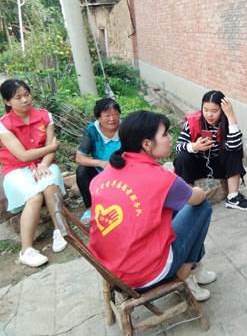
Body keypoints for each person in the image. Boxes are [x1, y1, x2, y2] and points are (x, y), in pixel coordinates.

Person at [88, 110, 216, 300]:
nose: (170, 138)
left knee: (173, 209)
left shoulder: (105, 175)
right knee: (201, 208)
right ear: (147, 144)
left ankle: (196, 268)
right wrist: (194, 189)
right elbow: (197, 198)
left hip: (112, 270)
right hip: (145, 274)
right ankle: (186, 273)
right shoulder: (160, 178)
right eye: (165, 134)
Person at [0, 79, 67, 267]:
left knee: (50, 183)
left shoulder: (45, 116)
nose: (25, 100)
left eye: (27, 94)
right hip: (16, 169)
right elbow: (22, 155)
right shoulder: (3, 124)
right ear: (7, 101)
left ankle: (60, 230)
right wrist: (51, 148)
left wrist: (44, 163)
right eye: (18, 97)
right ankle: (26, 250)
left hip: (44, 163)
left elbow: (50, 149)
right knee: (35, 196)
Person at [173, 90, 247, 210]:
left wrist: (231, 115)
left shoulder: (228, 123)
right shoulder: (193, 122)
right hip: (197, 167)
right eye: (205, 110)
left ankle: (233, 198)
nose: (209, 115)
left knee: (234, 151)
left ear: (222, 110)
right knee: (182, 156)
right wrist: (194, 147)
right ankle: (188, 197)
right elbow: (178, 146)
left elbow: (235, 146)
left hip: (220, 168)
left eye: (214, 111)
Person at [75, 98, 122, 224]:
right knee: (82, 171)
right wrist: (101, 163)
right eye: (107, 116)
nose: (112, 119)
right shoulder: (92, 131)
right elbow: (79, 157)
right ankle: (90, 208)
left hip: (123, 170)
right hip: (101, 171)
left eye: (115, 114)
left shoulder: (126, 128)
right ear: (98, 118)